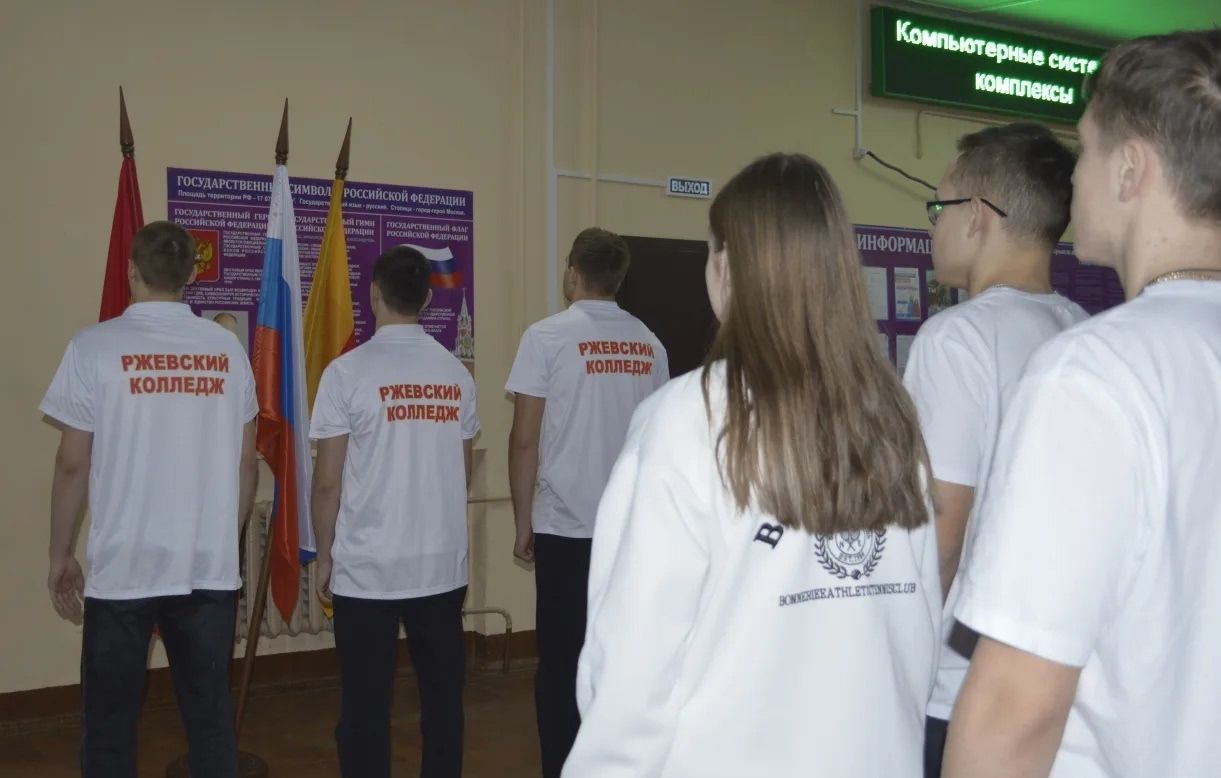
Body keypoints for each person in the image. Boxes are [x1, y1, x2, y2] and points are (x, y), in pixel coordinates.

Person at [563, 154, 940, 776]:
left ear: (727, 266)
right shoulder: (892, 417)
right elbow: (919, 631)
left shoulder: (686, 420)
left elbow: (631, 669)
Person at [944, 29, 1221, 777]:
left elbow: (1015, 708)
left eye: (1086, 151)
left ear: (1130, 170)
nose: (1073, 181)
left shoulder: (1094, 371)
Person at [902, 122, 1087, 777]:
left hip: (957, 688)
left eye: (939, 207)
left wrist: (895, 657)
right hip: (1052, 676)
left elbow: (940, 535)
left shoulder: (956, 339)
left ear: (977, 216)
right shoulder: (1082, 332)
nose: (934, 226)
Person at [41, 220, 258, 777]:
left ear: (131, 271)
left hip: (125, 566)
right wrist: (224, 542)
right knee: (210, 722)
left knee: (109, 725)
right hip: (206, 566)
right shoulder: (227, 349)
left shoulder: (93, 346)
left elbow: (72, 464)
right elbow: (245, 462)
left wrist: (60, 554)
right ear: (191, 276)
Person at [310, 246, 479, 778]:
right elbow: (462, 469)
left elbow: (328, 481)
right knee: (443, 702)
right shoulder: (457, 374)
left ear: (374, 294)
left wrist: (324, 555)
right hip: (440, 565)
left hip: (368, 568)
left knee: (365, 707)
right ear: (427, 299)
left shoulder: (346, 373)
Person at [506, 227, 668, 777]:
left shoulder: (546, 337)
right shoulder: (650, 344)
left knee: (559, 664)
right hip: (629, 534)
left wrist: (522, 521)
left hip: (564, 529)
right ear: (619, 278)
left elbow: (524, 439)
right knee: (621, 660)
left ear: (573, 272)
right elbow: (659, 442)